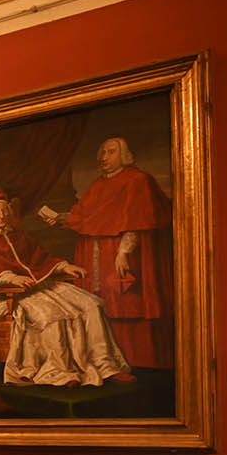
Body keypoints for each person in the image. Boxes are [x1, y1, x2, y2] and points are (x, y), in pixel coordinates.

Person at [0, 188, 134, 388]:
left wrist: (64, 266)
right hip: (5, 295)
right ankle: (60, 371)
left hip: (37, 286)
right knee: (52, 315)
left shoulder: (18, 235)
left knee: (92, 304)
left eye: (5, 210)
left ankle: (105, 366)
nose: (2, 216)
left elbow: (41, 258)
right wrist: (10, 278)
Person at [52, 137, 174, 368]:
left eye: (110, 152)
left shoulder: (138, 180)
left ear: (124, 155)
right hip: (97, 256)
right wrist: (62, 218)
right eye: (102, 152)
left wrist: (124, 251)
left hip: (123, 255)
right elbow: (87, 217)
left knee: (127, 302)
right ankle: (104, 362)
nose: (104, 157)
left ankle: (139, 362)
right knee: (100, 306)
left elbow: (137, 220)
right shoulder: (98, 184)